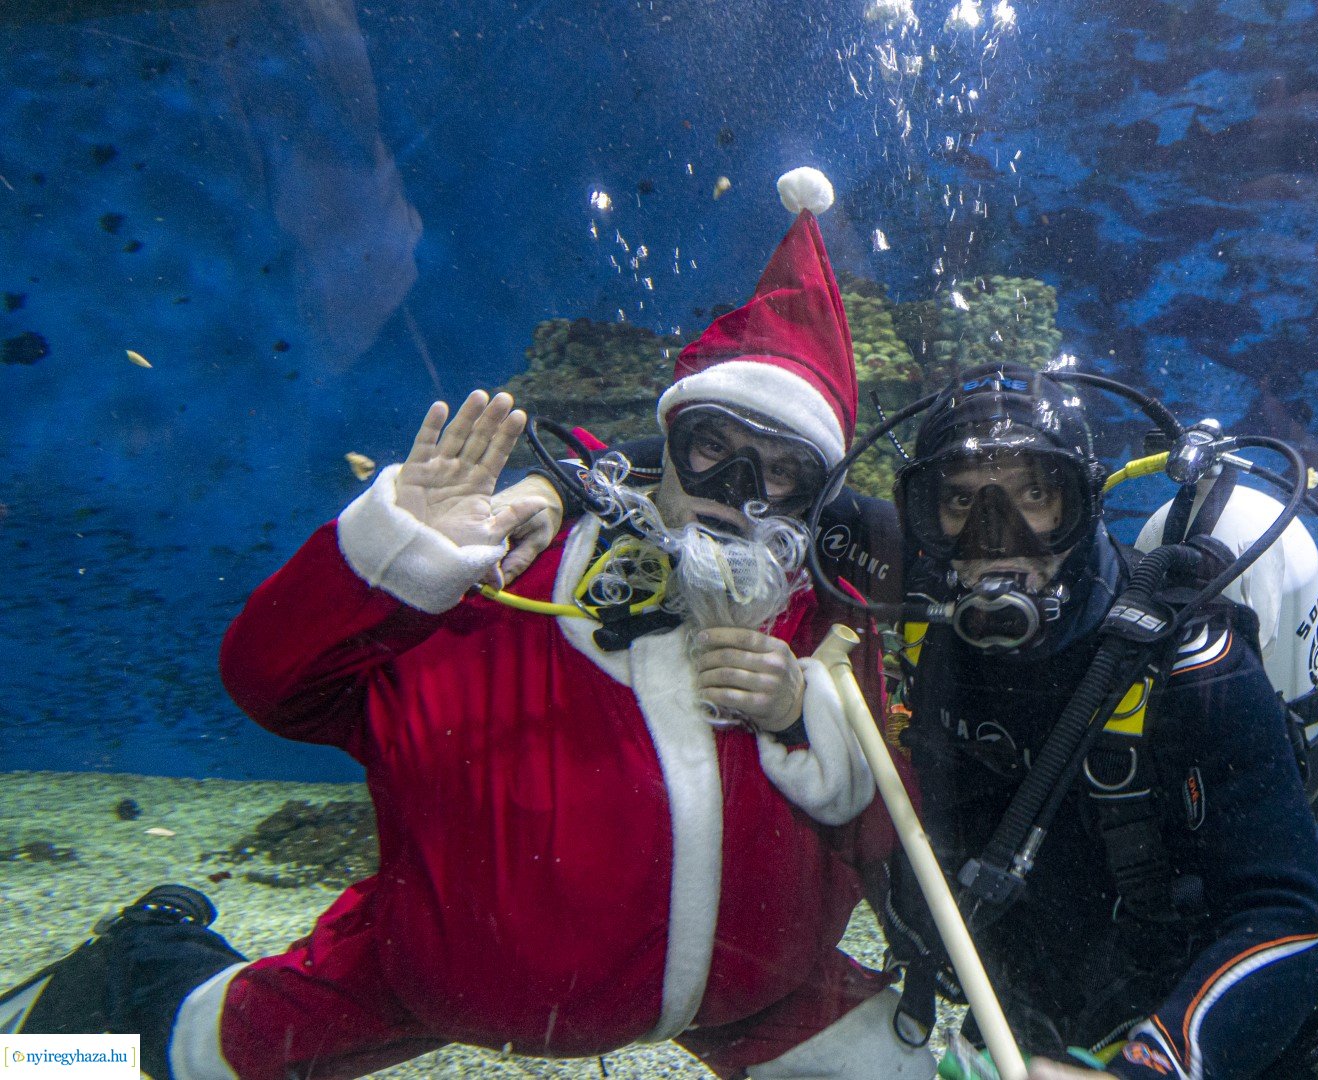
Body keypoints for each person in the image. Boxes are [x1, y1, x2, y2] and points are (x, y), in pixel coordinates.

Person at [0, 169, 933, 1080]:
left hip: (753, 994)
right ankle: (103, 991)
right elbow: (269, 685)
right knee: (167, 1053)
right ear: (668, 451)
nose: (736, 497)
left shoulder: (831, 621)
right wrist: (402, 556)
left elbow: (889, 827)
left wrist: (802, 714)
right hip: (432, 979)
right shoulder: (516, 572)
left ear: (820, 495)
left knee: (897, 1066)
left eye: (779, 474)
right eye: (709, 451)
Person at [880, 363, 1318, 1080]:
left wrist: (1149, 1066)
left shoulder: (1191, 666)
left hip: (1181, 1042)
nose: (996, 537)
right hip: (1016, 1029)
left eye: (1033, 494)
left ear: (1083, 501)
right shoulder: (926, 645)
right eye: (960, 501)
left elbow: (1286, 922)